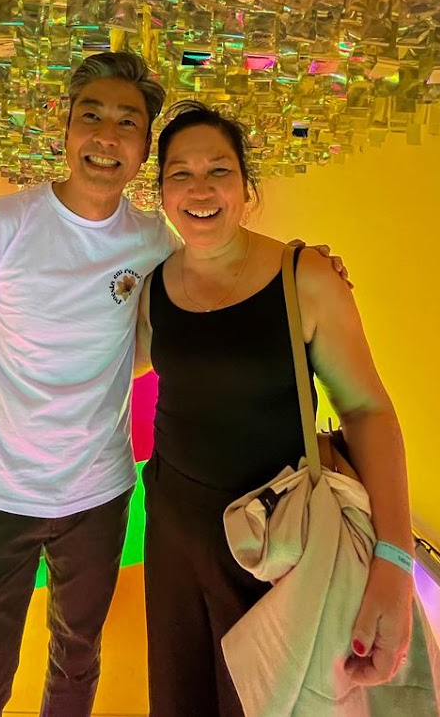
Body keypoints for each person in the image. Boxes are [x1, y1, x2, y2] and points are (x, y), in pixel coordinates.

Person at [0, 51, 347, 717]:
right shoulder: (1, 225)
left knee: (77, 658)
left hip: (100, 494)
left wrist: (305, 263)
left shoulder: (153, 243)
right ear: (66, 127)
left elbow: (218, 272)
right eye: (92, 116)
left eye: (128, 123)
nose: (107, 136)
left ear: (144, 150)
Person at [135, 101, 414, 717]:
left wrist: (395, 561)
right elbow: (102, 358)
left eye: (219, 170)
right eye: (180, 174)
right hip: (176, 537)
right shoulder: (153, 286)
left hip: (281, 539)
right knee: (183, 699)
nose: (200, 189)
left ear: (246, 187)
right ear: (161, 194)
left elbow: (367, 411)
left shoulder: (303, 277)